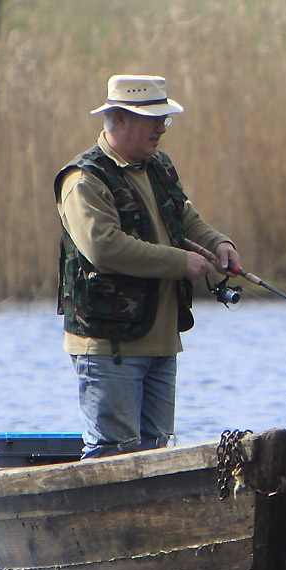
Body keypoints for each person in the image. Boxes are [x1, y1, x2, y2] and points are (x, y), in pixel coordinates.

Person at [55, 74, 240, 459]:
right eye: (152, 118)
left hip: (161, 340)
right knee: (113, 455)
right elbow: (104, 248)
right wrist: (180, 262)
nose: (161, 128)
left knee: (157, 456)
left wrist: (217, 243)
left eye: (165, 119)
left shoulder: (157, 166)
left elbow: (183, 215)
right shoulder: (83, 179)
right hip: (110, 345)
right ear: (119, 118)